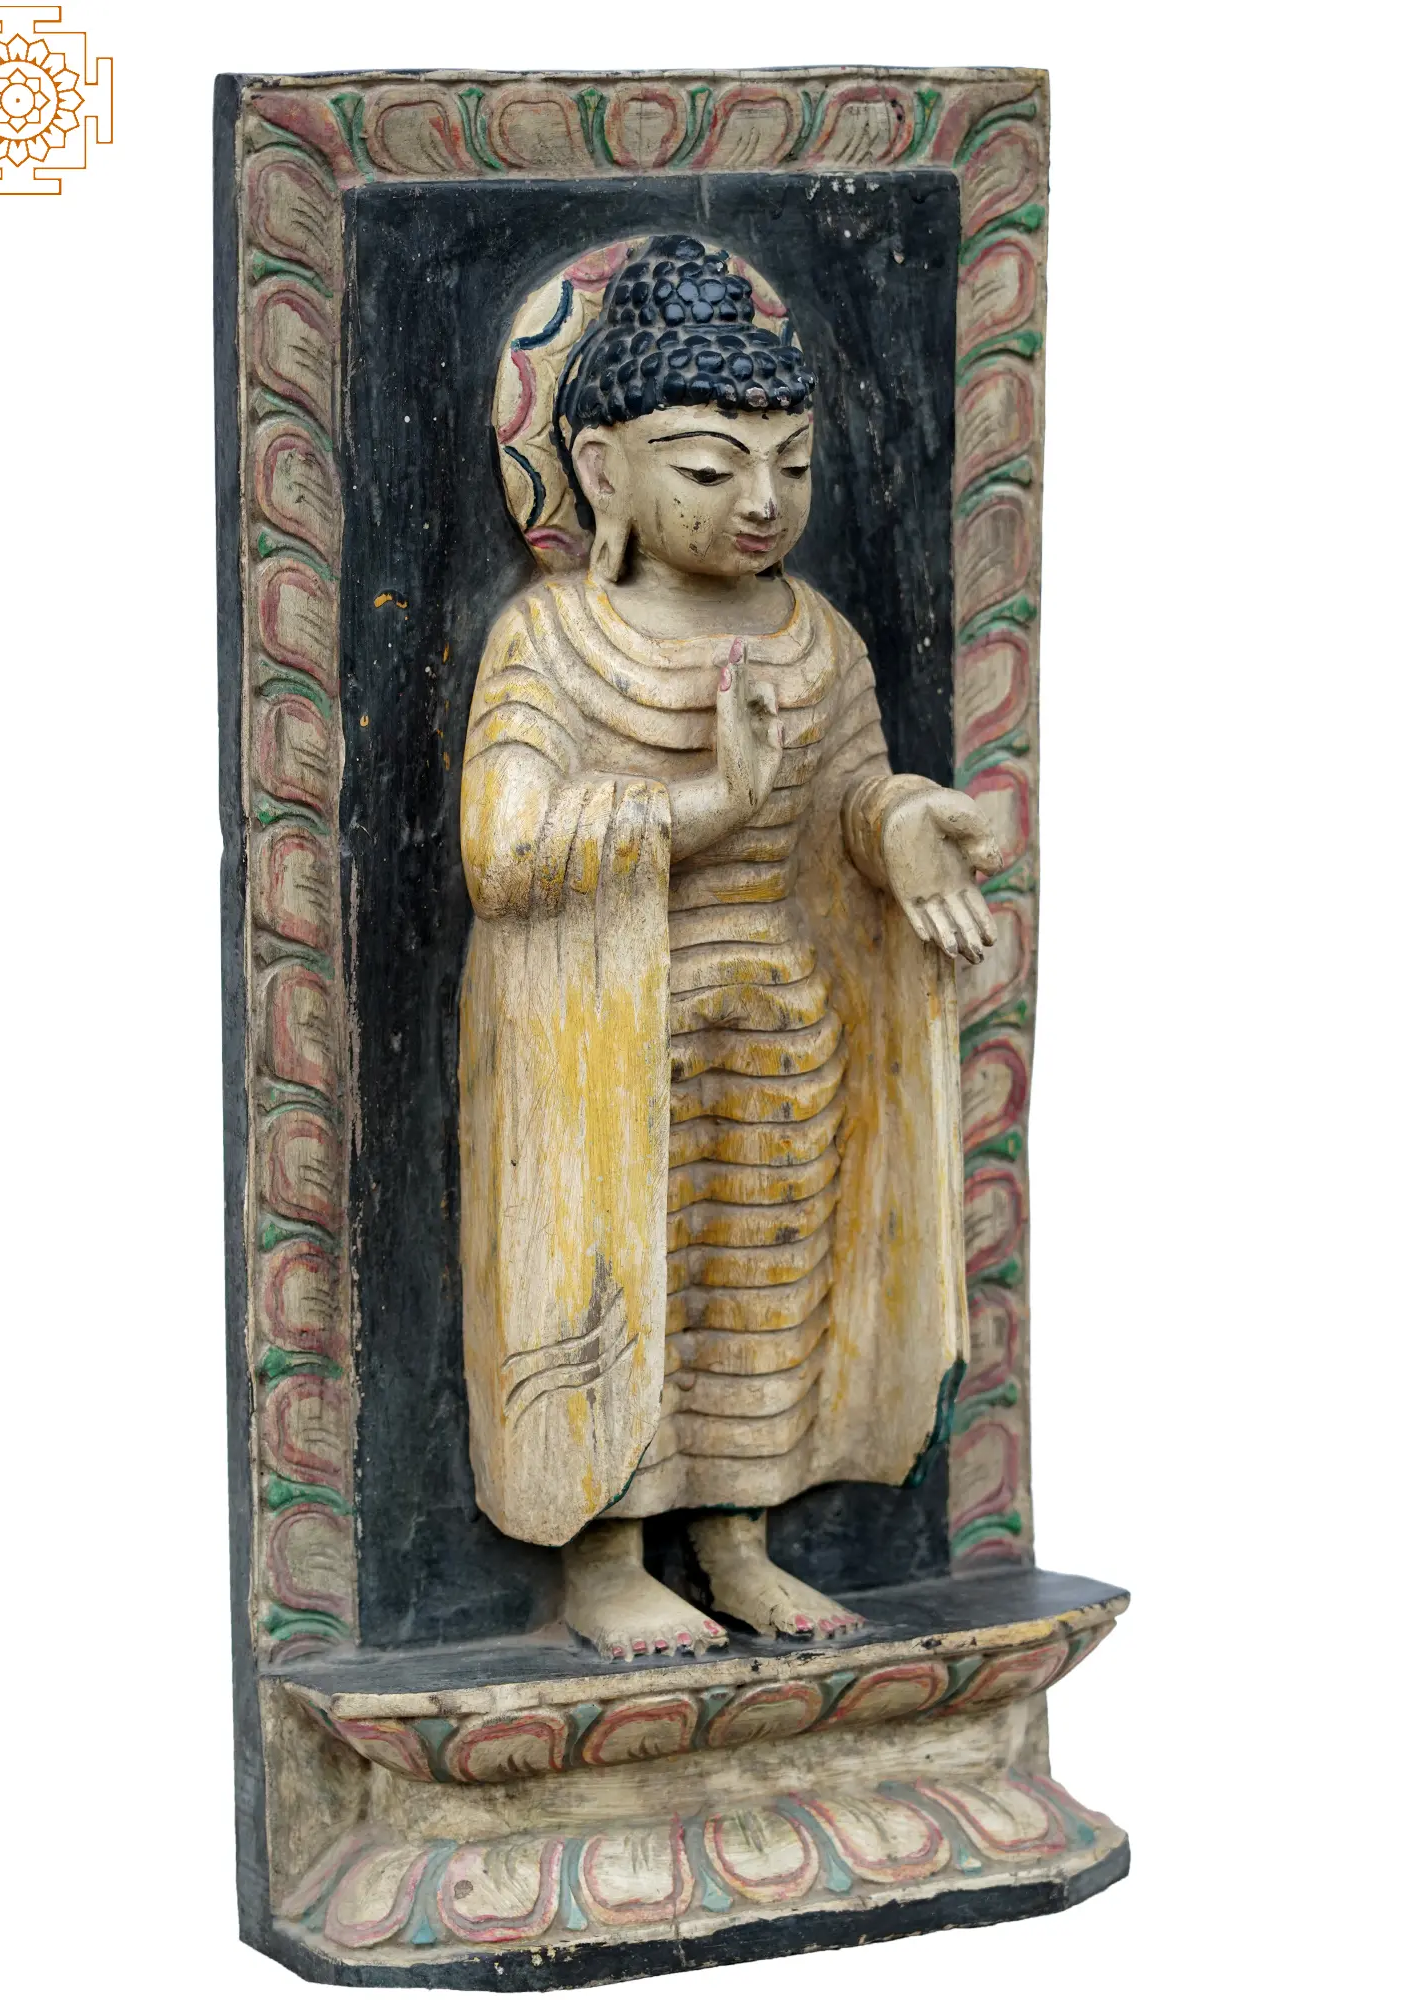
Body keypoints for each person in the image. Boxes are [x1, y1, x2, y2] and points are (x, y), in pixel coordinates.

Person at [459, 237, 1000, 1659]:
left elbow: (848, 801)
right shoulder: (554, 640)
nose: (762, 500)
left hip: (784, 1022)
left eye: (791, 465)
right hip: (614, 1041)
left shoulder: (819, 639)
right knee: (619, 1289)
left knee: (759, 1291)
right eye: (711, 468)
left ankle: (739, 1542)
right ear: (598, 469)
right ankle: (605, 1559)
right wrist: (704, 807)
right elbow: (501, 847)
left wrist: (905, 828)